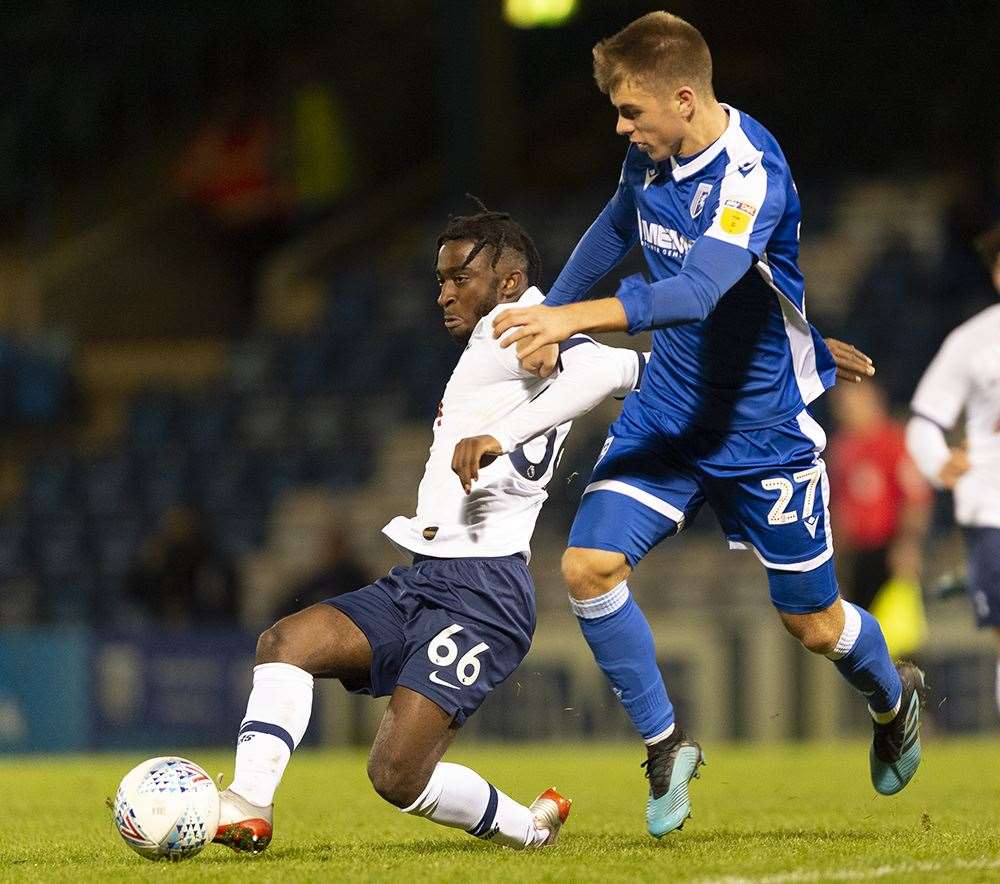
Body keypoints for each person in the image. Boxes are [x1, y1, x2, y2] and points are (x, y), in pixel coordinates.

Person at [491, 12, 926, 837]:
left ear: (683, 98)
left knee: (813, 621)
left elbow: (695, 293)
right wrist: (550, 312)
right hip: (670, 411)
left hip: (761, 428)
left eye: (631, 113)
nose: (622, 128)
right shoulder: (649, 157)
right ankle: (666, 744)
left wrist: (568, 322)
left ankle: (893, 699)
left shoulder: (751, 174)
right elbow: (620, 223)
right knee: (586, 567)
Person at [213, 202, 653, 853]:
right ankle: (249, 807)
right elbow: (628, 368)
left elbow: (600, 368)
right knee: (285, 643)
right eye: (440, 279)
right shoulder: (521, 335)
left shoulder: (514, 325)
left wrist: (563, 360)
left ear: (508, 283)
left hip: (484, 599)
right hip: (425, 581)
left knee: (395, 775)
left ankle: (528, 831)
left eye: (458, 279)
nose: (443, 294)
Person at [905, 222, 1000, 716]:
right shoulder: (973, 341)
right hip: (991, 505)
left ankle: (971, 578)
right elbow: (924, 420)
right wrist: (939, 462)